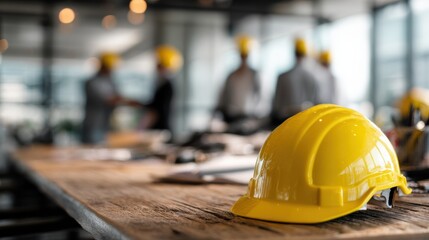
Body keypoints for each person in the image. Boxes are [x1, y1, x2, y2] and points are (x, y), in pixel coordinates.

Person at [81, 53, 139, 144]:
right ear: (103, 66)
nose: (111, 70)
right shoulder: (92, 82)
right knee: (92, 151)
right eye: (109, 67)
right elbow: (108, 100)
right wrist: (127, 102)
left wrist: (128, 101)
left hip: (106, 124)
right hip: (94, 124)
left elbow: (118, 96)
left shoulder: (110, 81)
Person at [271, 38, 319, 128]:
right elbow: (315, 102)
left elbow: (277, 104)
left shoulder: (283, 76)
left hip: (285, 120)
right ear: (306, 54)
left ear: (294, 53)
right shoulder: (313, 77)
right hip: (305, 120)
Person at [216, 35, 260, 124]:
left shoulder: (255, 75)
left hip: (248, 116)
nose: (243, 58)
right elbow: (224, 95)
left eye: (245, 55)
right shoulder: (231, 75)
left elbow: (260, 96)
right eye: (242, 55)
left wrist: (256, 112)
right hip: (231, 116)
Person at [140, 45, 182, 131]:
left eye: (159, 63)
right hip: (161, 128)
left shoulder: (166, 86)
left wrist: (141, 128)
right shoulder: (164, 84)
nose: (156, 66)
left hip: (160, 129)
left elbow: (156, 110)